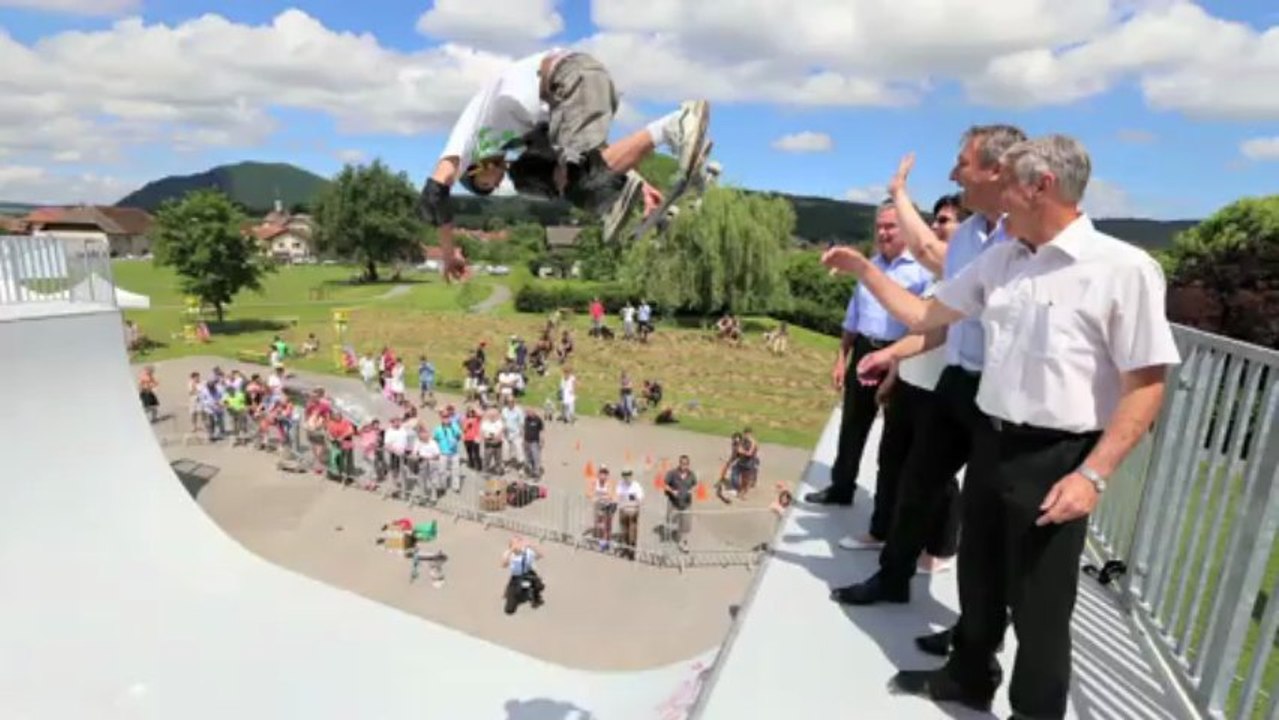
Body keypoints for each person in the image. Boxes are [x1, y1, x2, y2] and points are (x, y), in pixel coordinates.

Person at [821, 134, 1180, 719]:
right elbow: (925, 315)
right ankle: (968, 678)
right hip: (991, 436)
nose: (995, 196)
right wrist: (864, 268)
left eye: (1007, 183)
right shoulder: (1004, 258)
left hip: (1057, 456)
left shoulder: (1124, 269)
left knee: (1040, 605)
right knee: (979, 576)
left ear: (1041, 186)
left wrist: (1093, 474)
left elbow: (1146, 385)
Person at [419, 49, 711, 280]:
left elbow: (434, 194)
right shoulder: (515, 136)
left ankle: (673, 125)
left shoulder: (468, 142)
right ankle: (623, 197)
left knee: (569, 177)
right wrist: (638, 183)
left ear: (475, 169)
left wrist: (448, 253)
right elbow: (595, 152)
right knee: (562, 181)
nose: (497, 180)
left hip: (567, 77)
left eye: (487, 182)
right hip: (577, 87)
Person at [804, 201, 933, 521]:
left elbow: (924, 325)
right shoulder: (869, 267)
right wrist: (841, 359)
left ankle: (886, 506)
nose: (882, 233)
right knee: (852, 424)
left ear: (907, 228)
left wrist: (897, 361)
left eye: (890, 226)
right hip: (864, 350)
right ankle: (841, 487)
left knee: (894, 436)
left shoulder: (922, 271)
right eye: (879, 227)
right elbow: (853, 318)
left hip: (899, 356)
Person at [502, 536, 545, 614]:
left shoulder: (528, 552)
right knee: (509, 609)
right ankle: (515, 595)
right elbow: (504, 564)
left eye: (519, 542)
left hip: (528, 573)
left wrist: (531, 546)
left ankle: (535, 597)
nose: (518, 545)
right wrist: (511, 551)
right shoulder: (509, 554)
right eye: (515, 543)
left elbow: (540, 555)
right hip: (516, 576)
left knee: (539, 585)